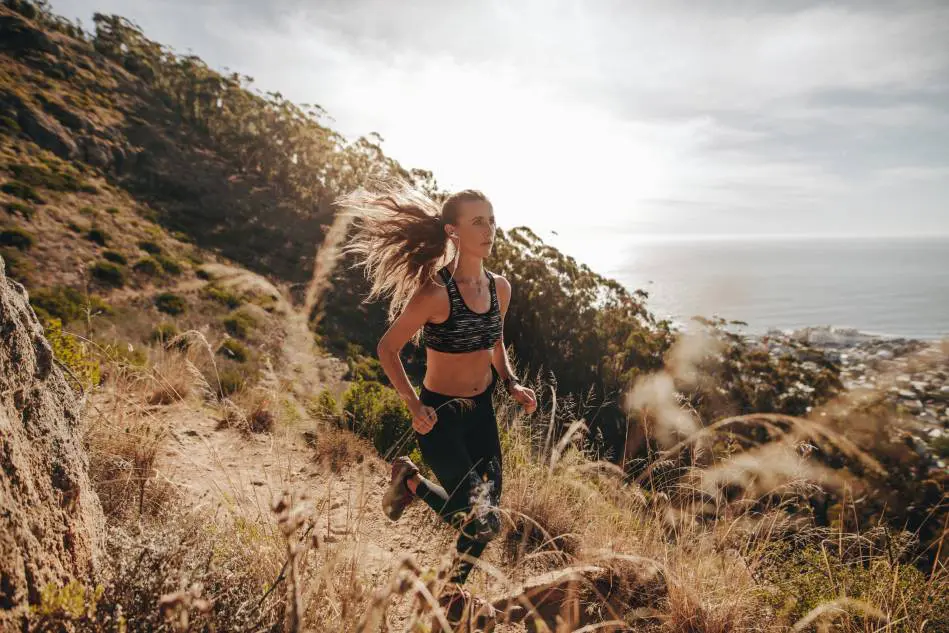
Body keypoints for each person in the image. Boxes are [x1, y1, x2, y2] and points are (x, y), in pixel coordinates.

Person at [340, 184, 537, 621]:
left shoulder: (499, 288)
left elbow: (495, 341)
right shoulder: (435, 293)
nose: (489, 229)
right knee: (483, 522)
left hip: (482, 414)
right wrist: (414, 406)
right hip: (440, 419)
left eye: (491, 219)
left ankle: (411, 488)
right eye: (478, 221)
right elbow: (387, 349)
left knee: (486, 518)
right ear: (453, 231)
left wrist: (511, 383)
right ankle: (448, 601)